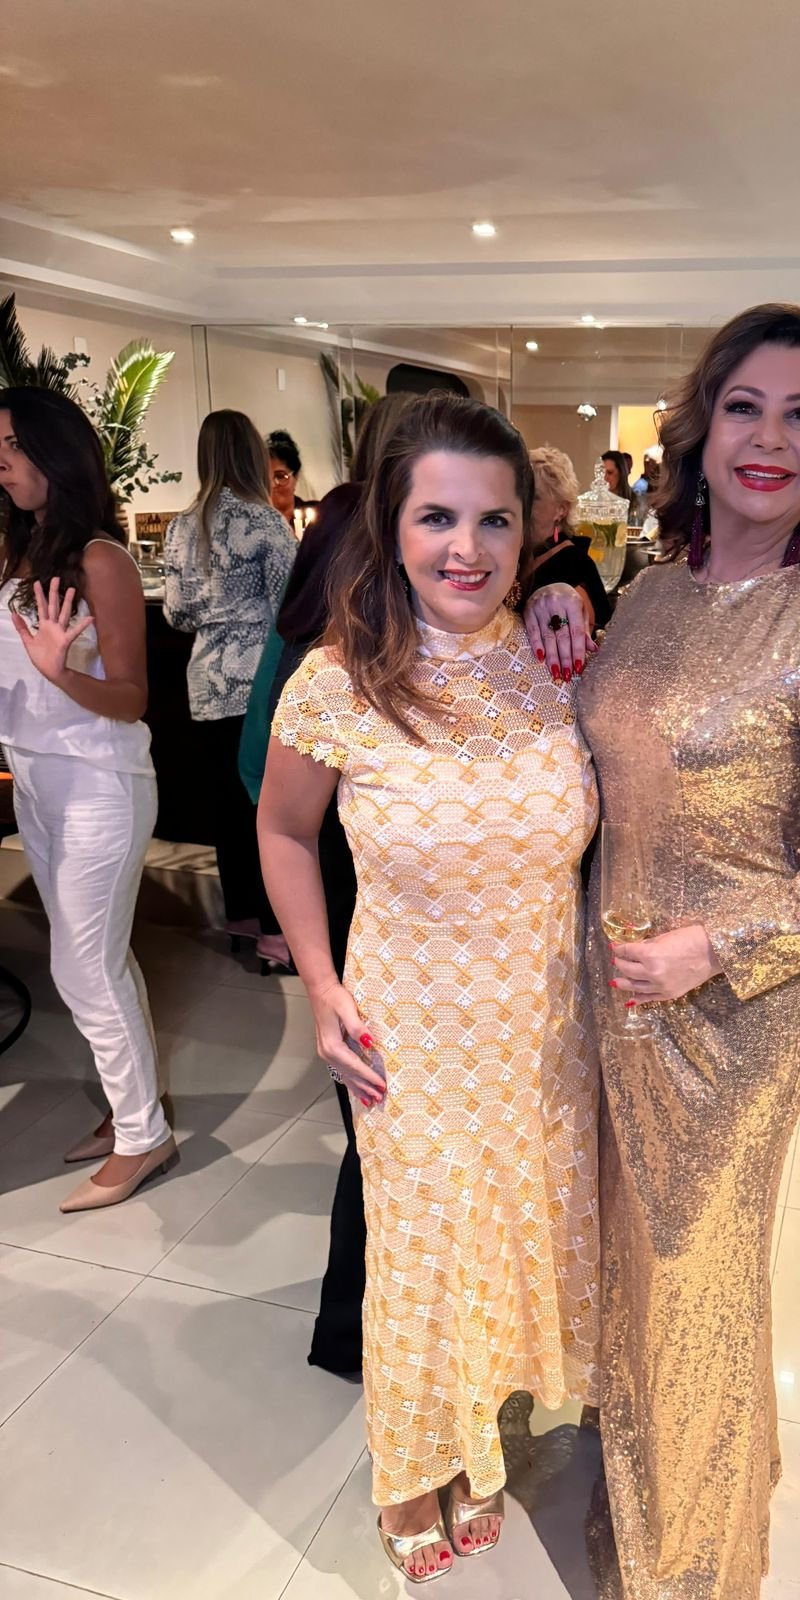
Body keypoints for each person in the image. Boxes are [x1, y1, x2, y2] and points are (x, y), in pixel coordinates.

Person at [526, 302, 800, 1598]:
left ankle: (691, 1567)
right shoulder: (653, 592)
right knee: (638, 1259)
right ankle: (665, 1472)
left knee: (693, 1268)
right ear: (701, 431)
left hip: (739, 1010)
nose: (769, 438)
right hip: (616, 989)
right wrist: (552, 612)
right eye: (745, 407)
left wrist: (716, 943)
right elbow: (610, 749)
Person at [258, 393, 601, 1583]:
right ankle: (413, 1467)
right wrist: (317, 982)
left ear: (533, 527)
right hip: (408, 1027)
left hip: (542, 1027)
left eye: (493, 519)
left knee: (504, 1235)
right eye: (437, 517)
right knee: (420, 1251)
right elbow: (283, 832)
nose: (467, 548)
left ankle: (478, 1432)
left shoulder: (561, 661)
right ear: (391, 527)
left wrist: (566, 601)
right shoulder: (336, 682)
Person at [238, 391, 410, 1377]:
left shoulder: (506, 647)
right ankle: (359, 1335)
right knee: (380, 1132)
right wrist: (318, 976)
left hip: (403, 890)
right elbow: (277, 808)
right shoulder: (338, 661)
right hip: (357, 867)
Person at [0, 388, 177, 1212]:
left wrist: (61, 673)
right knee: (101, 960)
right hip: (37, 778)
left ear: (54, 451)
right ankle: (131, 1105)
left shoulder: (102, 558)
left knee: (81, 966)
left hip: (98, 783)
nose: (1, 462)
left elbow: (133, 697)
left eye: (12, 445)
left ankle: (144, 1136)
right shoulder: (21, 549)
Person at [162, 410, 295, 967]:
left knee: (226, 806)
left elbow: (175, 614)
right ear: (250, 455)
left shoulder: (180, 527)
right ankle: (275, 932)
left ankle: (240, 916)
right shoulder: (264, 523)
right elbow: (292, 603)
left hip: (205, 682)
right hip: (257, 683)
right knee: (266, 808)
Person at [529, 445, 612, 644]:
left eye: (533, 498)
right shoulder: (519, 554)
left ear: (561, 509)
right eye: (519, 495)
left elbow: (581, 632)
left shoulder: (573, 563)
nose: (522, 505)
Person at [266, 429, 315, 528]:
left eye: (280, 476)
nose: (272, 484)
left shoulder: (318, 516)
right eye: (265, 477)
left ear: (296, 477)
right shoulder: (252, 521)